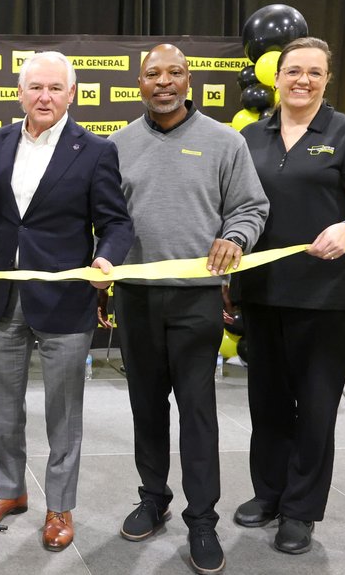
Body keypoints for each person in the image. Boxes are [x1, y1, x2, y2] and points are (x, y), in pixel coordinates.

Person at [106, 43, 268, 575]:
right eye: (153, 74)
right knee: (146, 407)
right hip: (135, 298)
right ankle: (154, 497)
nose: (164, 82)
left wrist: (236, 237)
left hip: (197, 299)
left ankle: (202, 520)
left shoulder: (225, 141)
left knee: (198, 413)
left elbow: (250, 206)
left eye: (175, 72)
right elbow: (106, 218)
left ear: (189, 80)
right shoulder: (117, 145)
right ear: (139, 83)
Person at [0, 51, 133, 552]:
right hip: (4, 297)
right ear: (20, 93)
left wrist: (107, 261)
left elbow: (117, 223)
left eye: (55, 88)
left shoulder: (96, 150)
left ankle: (60, 506)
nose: (44, 97)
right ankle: (9, 491)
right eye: (35, 87)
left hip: (65, 301)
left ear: (71, 94)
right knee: (4, 408)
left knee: (64, 413)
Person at [228, 37, 345, 555]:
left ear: (326, 80)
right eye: (295, 70)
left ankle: (301, 510)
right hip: (261, 291)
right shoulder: (250, 137)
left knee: (315, 407)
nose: (303, 80)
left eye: (315, 73)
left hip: (327, 295)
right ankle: (269, 494)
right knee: (267, 403)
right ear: (278, 76)